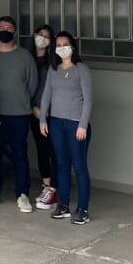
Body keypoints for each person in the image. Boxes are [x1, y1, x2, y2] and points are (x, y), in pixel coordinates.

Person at [0, 16, 37, 212]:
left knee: (20, 154)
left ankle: (23, 194)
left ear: (15, 32)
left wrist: (22, 101)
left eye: (9, 28)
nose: (5, 30)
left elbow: (32, 84)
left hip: (19, 113)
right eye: (1, 27)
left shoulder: (25, 56)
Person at [40, 31, 93, 225]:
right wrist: (43, 120)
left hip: (75, 124)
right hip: (56, 122)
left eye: (66, 44)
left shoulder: (82, 69)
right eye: (59, 44)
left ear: (72, 46)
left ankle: (83, 209)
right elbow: (46, 95)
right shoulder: (54, 69)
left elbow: (88, 99)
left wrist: (83, 124)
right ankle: (62, 205)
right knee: (61, 165)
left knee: (79, 167)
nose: (62, 48)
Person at [31, 24, 58, 210]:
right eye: (40, 35)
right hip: (32, 112)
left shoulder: (53, 61)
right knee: (41, 150)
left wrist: (45, 109)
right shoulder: (27, 57)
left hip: (51, 113)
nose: (42, 38)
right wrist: (32, 107)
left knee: (54, 151)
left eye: (47, 36)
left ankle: (55, 189)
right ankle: (46, 186)